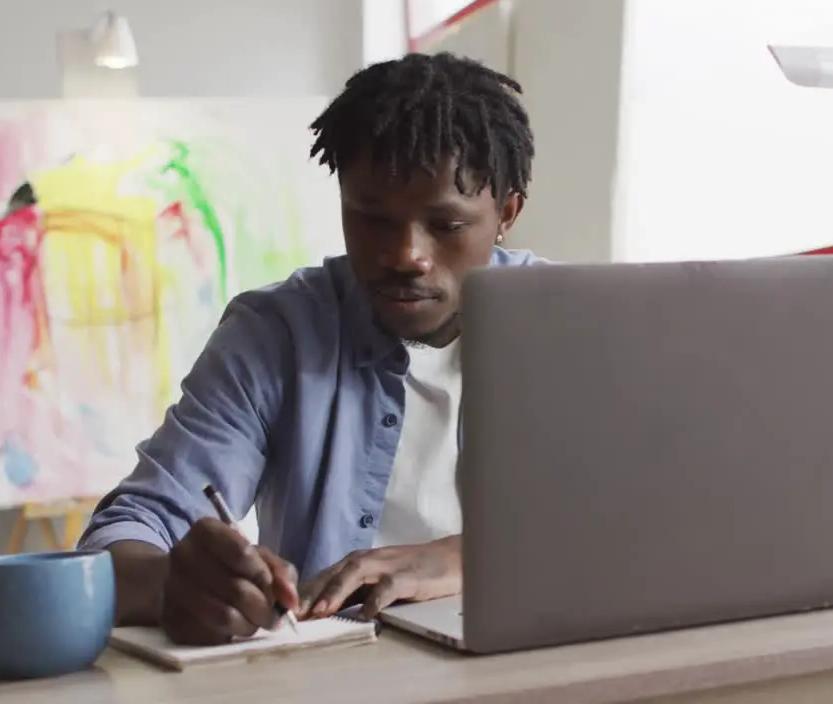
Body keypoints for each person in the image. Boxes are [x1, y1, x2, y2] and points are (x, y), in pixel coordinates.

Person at [78, 52, 539, 645]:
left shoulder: (569, 326)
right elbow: (126, 530)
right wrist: (170, 583)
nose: (406, 256)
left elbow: (637, 523)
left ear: (506, 212)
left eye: (446, 225)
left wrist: (461, 557)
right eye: (372, 218)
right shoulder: (274, 336)